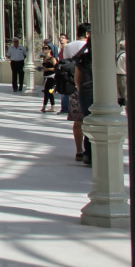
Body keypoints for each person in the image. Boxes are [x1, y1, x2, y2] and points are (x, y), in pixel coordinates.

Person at [60, 23, 90, 164]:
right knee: (90, 119)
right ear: (88, 34)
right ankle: (90, 149)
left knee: (78, 120)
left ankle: (79, 150)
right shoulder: (89, 48)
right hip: (88, 85)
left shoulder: (68, 47)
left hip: (73, 86)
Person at [39, 43, 59, 113]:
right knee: (49, 92)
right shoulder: (45, 59)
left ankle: (44, 107)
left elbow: (56, 68)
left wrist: (47, 69)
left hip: (52, 78)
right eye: (44, 48)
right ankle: (53, 107)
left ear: (50, 50)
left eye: (46, 48)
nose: (44, 49)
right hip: (46, 78)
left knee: (47, 92)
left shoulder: (52, 59)